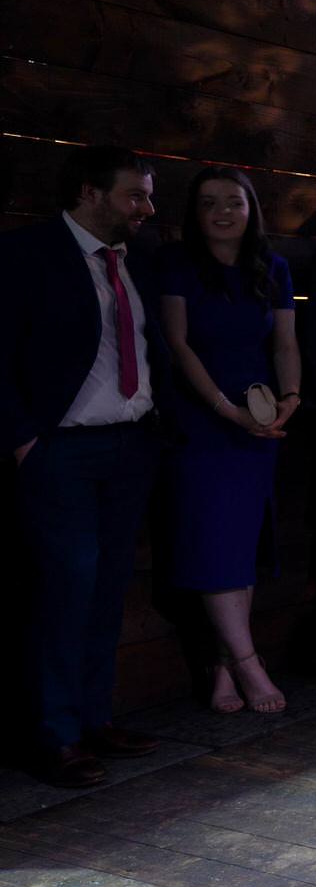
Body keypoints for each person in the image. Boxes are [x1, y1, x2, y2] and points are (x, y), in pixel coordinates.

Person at [3, 146, 166, 787]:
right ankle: (54, 734)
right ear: (90, 192)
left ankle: (95, 719)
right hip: (61, 450)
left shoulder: (139, 261)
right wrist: (24, 442)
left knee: (107, 589)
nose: (146, 209)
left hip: (131, 447)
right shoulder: (26, 254)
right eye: (135, 196)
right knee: (65, 588)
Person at [158, 166, 299, 715]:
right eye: (209, 202)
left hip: (260, 421)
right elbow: (177, 343)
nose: (223, 212)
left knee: (238, 547)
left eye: (234, 202)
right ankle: (248, 663)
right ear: (194, 213)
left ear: (250, 209)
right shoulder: (176, 262)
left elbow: (286, 342)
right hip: (202, 423)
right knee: (214, 543)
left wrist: (291, 396)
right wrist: (224, 410)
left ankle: (221, 667)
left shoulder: (274, 266)